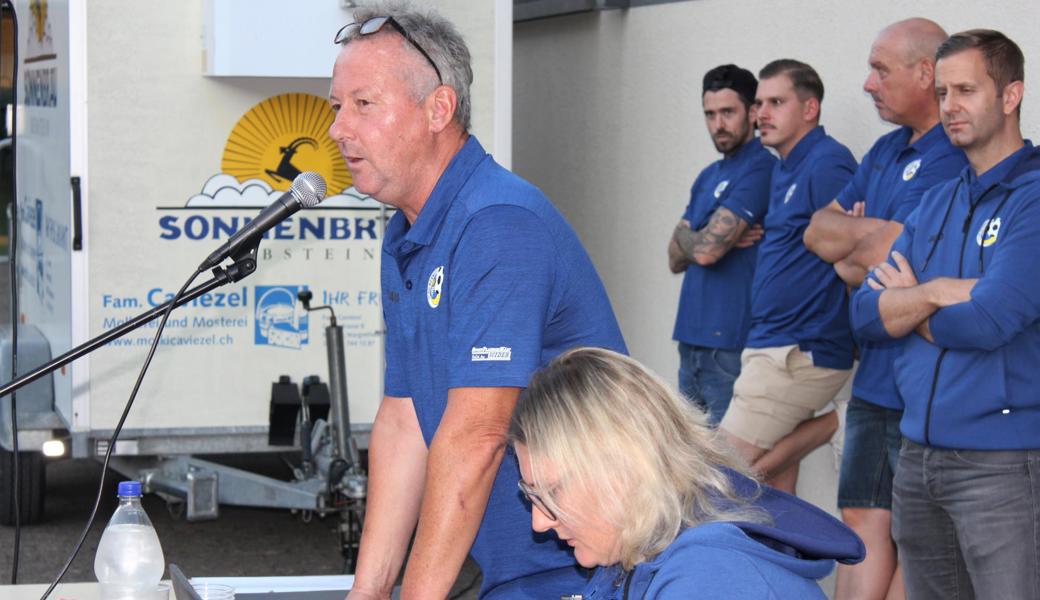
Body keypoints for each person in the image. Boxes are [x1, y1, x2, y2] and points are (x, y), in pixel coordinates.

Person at [327, 3, 627, 598]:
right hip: (515, 573)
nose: (338, 128)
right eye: (338, 107)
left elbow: (476, 437)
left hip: (581, 573)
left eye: (364, 104)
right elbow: (404, 419)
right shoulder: (408, 230)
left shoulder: (497, 222)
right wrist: (367, 592)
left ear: (439, 108)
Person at [851, 29, 1040, 599]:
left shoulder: (1032, 198)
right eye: (942, 93)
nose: (950, 106)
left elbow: (990, 320)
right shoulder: (938, 199)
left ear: (1010, 96)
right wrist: (935, 294)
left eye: (966, 90)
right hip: (917, 460)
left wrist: (909, 305)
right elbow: (863, 313)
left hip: (1003, 466)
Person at [802, 19, 966, 599]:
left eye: (880, 69)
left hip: (923, 385)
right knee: (861, 523)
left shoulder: (955, 155)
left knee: (917, 538)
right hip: (871, 379)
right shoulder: (885, 149)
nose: (868, 84)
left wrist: (860, 244)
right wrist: (867, 244)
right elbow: (819, 232)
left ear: (927, 74)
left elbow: (901, 257)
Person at [509, 347, 865, 599]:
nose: (539, 522)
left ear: (623, 468)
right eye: (533, 496)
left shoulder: (711, 578)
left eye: (552, 493)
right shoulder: (640, 547)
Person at [718, 60, 857, 494]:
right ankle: (782, 561)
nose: (761, 114)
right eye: (758, 103)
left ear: (810, 108)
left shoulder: (827, 162)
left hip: (797, 349)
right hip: (772, 343)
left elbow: (854, 245)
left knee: (717, 475)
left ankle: (841, 420)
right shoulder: (783, 166)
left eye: (776, 102)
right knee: (777, 491)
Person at [668, 65, 775, 425]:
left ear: (752, 112)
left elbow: (703, 252)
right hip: (690, 338)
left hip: (729, 343)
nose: (718, 124)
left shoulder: (762, 168)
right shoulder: (708, 176)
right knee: (688, 462)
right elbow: (673, 256)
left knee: (731, 468)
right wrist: (700, 240)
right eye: (710, 114)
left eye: (728, 112)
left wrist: (695, 238)